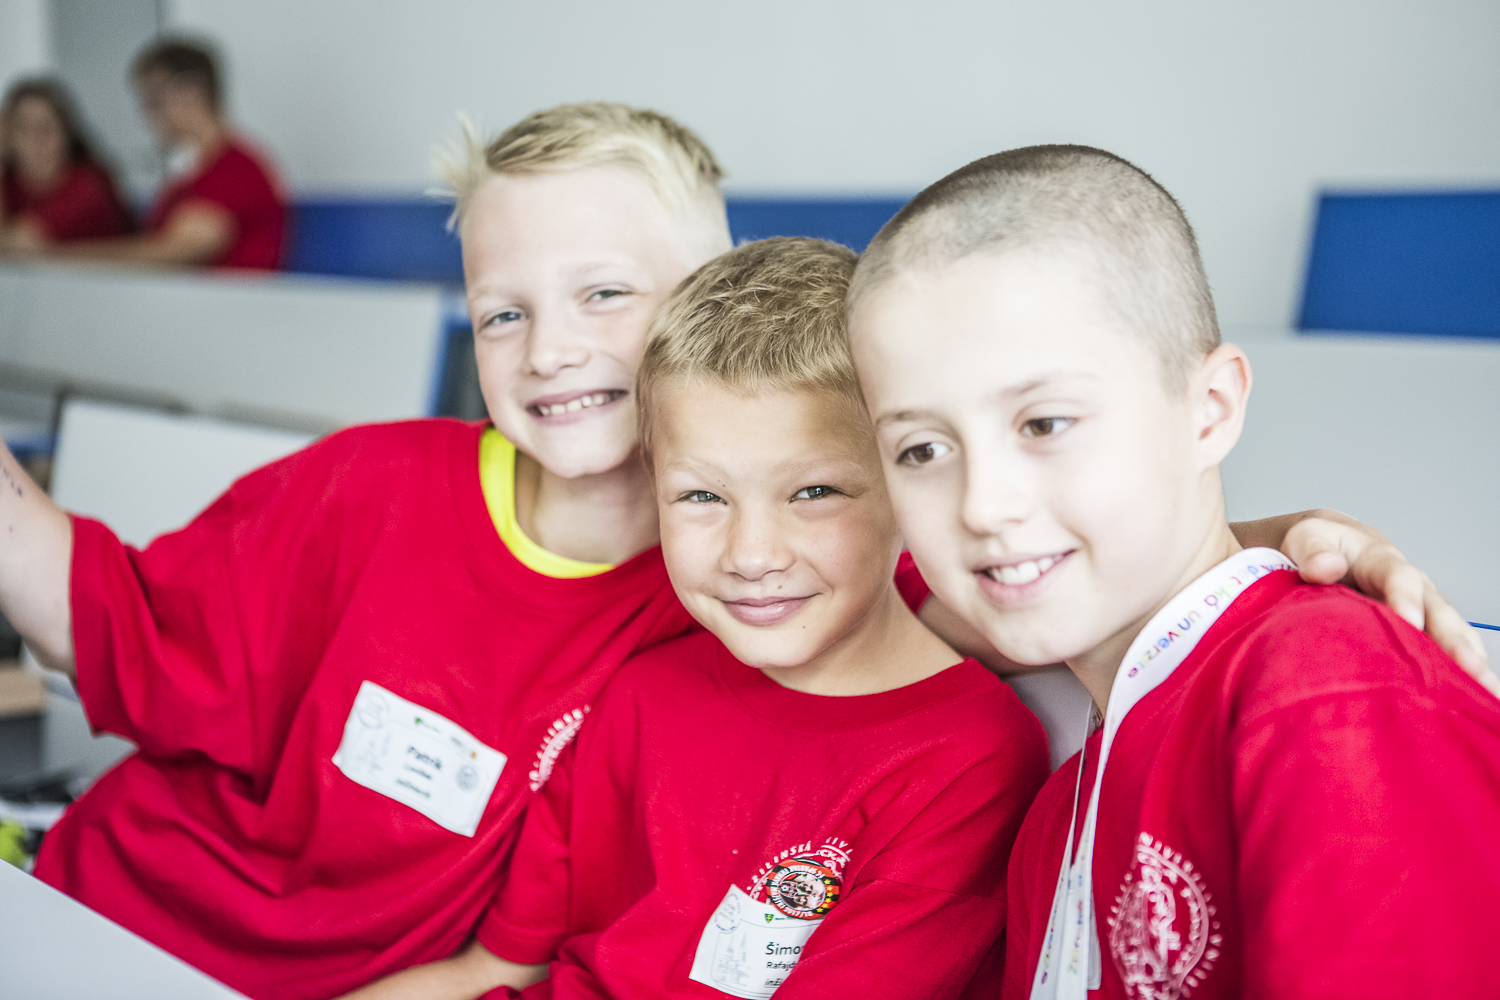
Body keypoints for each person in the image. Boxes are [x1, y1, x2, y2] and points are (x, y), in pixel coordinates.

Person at [0, 101, 1473, 999]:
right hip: (117, 903)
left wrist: (1280, 545)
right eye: (503, 310)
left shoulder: (838, 577)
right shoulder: (379, 490)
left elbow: (1036, 572)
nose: (553, 347)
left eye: (604, 295)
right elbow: (122, 616)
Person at [844, 144, 1500, 999]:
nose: (982, 505)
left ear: (1209, 411)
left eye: (1044, 424)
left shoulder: (1327, 689)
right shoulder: (1059, 812)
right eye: (922, 450)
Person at [343, 237, 1050, 1000]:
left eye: (814, 493)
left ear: (912, 487)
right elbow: (496, 970)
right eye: (702, 497)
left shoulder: (967, 760)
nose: (752, 554)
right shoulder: (636, 695)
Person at [30, 38, 286, 269]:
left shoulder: (236, 171)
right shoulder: (190, 175)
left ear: (192, 93)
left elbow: (169, 252)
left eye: (153, 102)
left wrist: (55, 257)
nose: (146, 116)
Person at [0, 78, 132, 251]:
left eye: (45, 128)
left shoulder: (88, 185)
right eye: (23, 128)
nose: (35, 140)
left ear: (67, 134)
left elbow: (25, 242)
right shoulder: (9, 180)